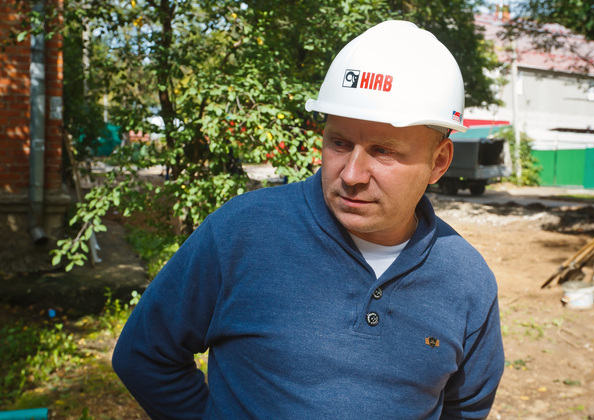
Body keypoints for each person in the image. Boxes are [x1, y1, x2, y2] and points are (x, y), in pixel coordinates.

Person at [113, 20, 504, 419]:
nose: (351, 174)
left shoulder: (466, 280)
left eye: (383, 151)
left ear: (439, 162)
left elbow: (466, 408)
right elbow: (145, 355)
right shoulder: (243, 233)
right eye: (339, 142)